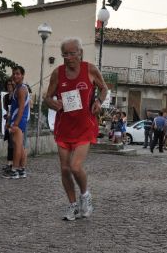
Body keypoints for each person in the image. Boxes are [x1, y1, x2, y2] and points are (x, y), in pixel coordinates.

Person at [44, 37, 108, 221]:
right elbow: (47, 97)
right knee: (64, 169)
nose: (70, 57)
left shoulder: (90, 69)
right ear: (62, 55)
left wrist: (98, 101)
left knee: (75, 166)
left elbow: (104, 89)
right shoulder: (58, 73)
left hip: (84, 127)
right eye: (66, 54)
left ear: (80, 53)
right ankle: (73, 205)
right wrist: (53, 103)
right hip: (64, 127)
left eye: (73, 53)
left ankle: (85, 196)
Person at [2, 66, 31, 179]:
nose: (15, 76)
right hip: (18, 120)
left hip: (19, 121)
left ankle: (14, 170)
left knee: (17, 146)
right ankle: (21, 169)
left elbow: (22, 108)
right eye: (14, 73)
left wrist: (15, 123)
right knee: (20, 146)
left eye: (18, 74)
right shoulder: (18, 88)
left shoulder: (21, 89)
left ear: (22, 75)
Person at [2, 78, 14, 173]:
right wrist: (6, 115)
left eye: (11, 84)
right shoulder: (5, 97)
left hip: (15, 121)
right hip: (8, 121)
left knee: (15, 143)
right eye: (8, 84)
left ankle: (15, 163)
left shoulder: (16, 95)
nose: (9, 86)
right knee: (10, 142)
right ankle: (9, 162)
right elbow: (6, 109)